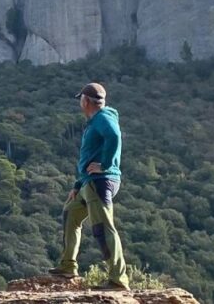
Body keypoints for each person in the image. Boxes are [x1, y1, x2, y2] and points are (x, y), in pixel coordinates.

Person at [49, 82, 130, 291]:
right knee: (70, 213)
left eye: (80, 100)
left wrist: (105, 164)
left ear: (85, 101)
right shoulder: (95, 121)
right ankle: (68, 267)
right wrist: (77, 184)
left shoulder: (103, 118)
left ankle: (118, 280)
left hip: (100, 182)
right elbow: (89, 156)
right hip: (87, 183)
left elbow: (114, 136)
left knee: (103, 228)